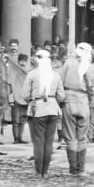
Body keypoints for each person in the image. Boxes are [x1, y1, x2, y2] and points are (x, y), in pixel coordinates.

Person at [58, 43, 94, 176]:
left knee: (70, 137)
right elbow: (92, 89)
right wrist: (89, 102)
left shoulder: (69, 64)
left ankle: (73, 168)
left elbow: (60, 83)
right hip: (84, 102)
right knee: (82, 138)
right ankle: (81, 169)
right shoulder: (92, 68)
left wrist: (60, 101)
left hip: (69, 100)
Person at [24, 49, 64, 178]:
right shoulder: (56, 75)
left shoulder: (32, 74)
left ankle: (38, 171)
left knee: (38, 141)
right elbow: (61, 95)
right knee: (49, 142)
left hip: (38, 109)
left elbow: (25, 95)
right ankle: (45, 171)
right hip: (53, 108)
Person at [8, 53, 30, 144]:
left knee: (22, 120)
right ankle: (16, 138)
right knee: (16, 120)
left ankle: (20, 137)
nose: (23, 63)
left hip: (25, 98)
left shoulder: (28, 72)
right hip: (16, 97)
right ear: (18, 61)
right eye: (21, 61)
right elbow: (10, 86)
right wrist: (11, 99)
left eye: (24, 61)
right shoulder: (13, 72)